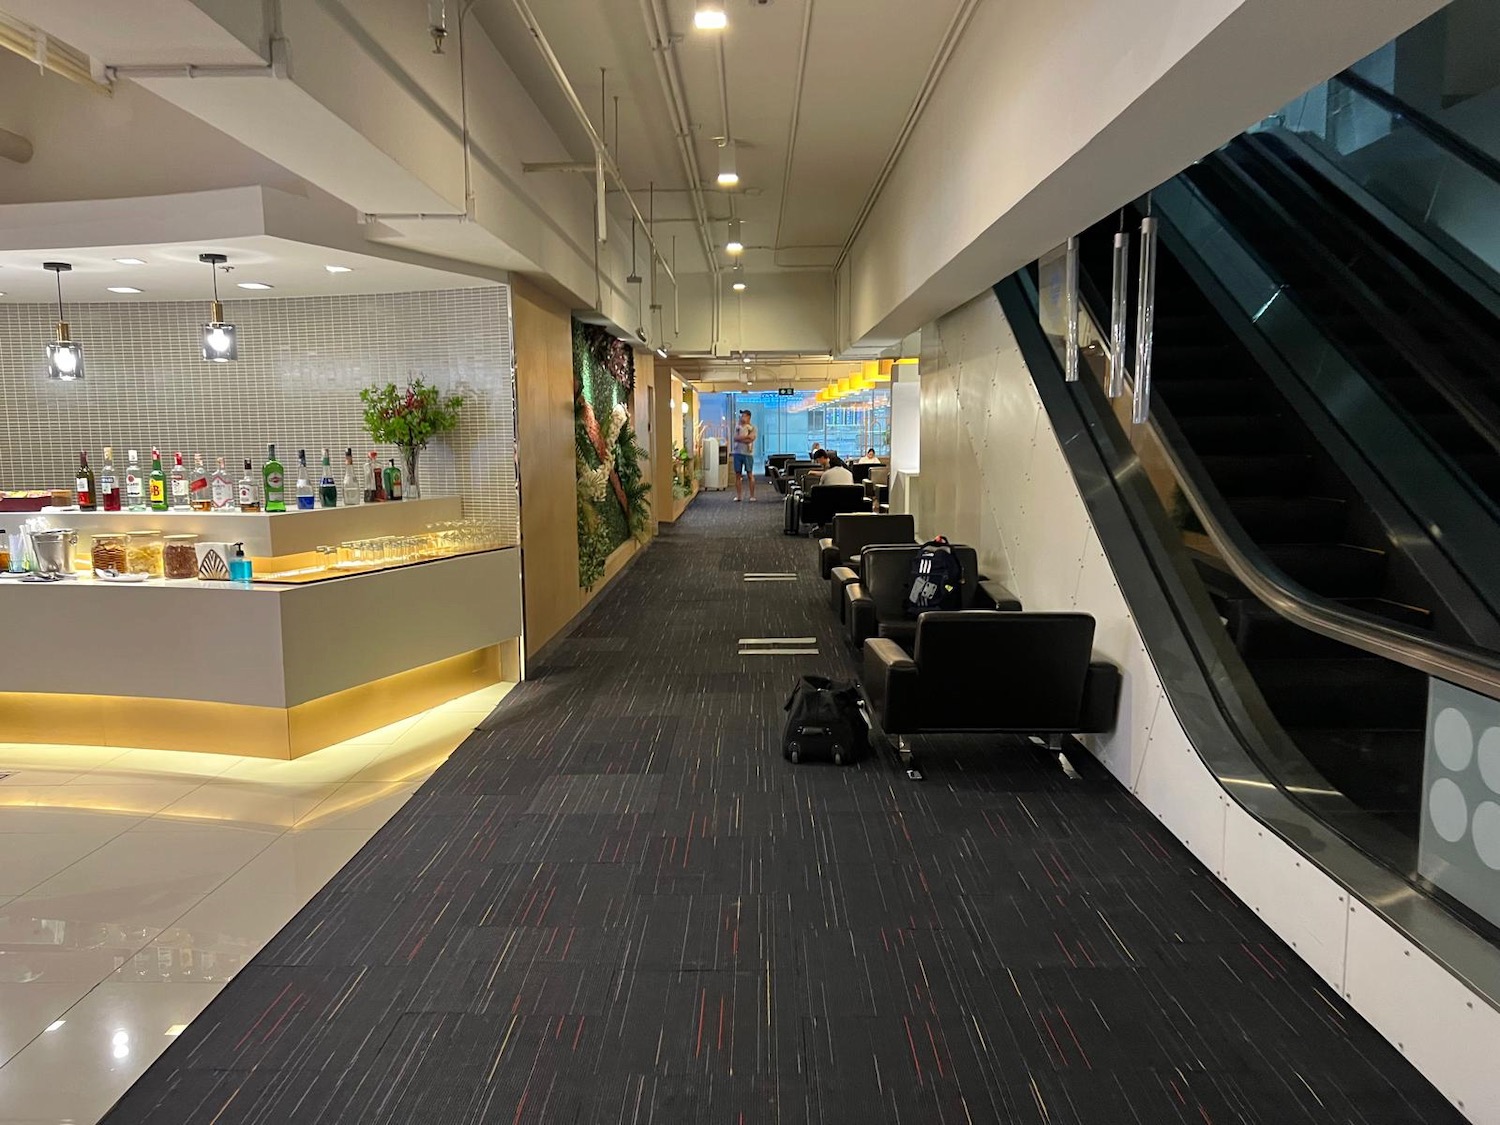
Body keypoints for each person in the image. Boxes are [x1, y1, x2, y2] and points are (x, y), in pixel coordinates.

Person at [732, 410, 757, 502]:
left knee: (750, 474)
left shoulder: (752, 428)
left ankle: (752, 496)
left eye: (744, 416)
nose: (742, 417)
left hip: (748, 454)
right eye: (741, 415)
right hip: (737, 453)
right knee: (738, 475)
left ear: (748, 417)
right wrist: (745, 438)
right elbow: (735, 438)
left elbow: (750, 439)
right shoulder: (737, 427)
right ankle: (739, 496)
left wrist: (741, 439)